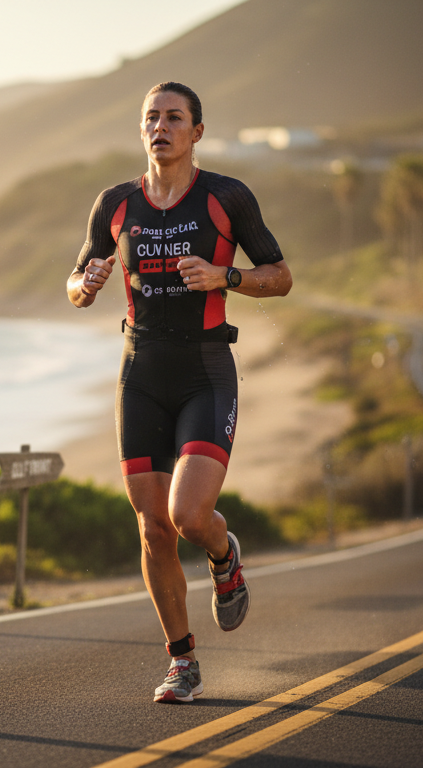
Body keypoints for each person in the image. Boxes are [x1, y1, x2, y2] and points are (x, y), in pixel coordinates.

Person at [66, 82, 292, 703]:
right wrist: (84, 286)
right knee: (152, 529)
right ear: (142, 132)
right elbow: (76, 280)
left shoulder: (225, 197)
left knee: (187, 517)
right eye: (151, 118)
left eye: (174, 117)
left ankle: (224, 553)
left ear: (196, 132)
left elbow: (282, 275)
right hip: (139, 374)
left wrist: (228, 276)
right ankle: (182, 662)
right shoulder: (115, 203)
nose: (160, 127)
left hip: (204, 371)